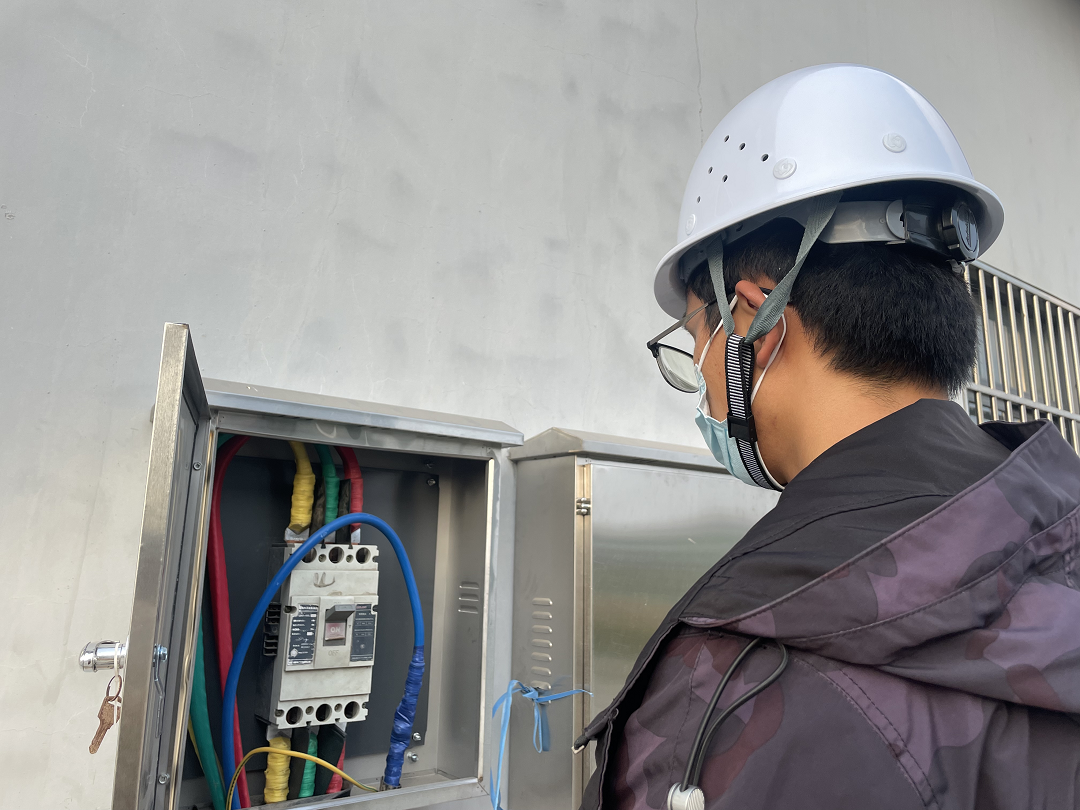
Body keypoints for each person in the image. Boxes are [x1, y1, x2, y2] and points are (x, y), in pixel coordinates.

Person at [575, 65, 1080, 810]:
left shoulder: (722, 695)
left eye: (696, 339)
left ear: (753, 321)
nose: (704, 382)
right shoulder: (1058, 534)